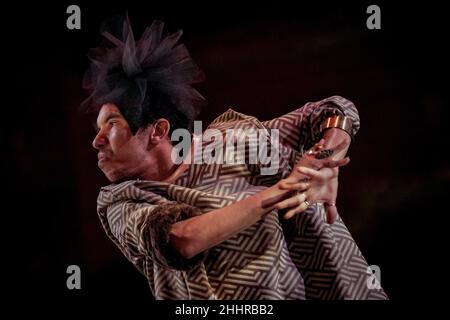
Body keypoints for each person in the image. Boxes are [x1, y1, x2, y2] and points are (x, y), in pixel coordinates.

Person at [81, 15, 388, 299]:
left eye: (111, 125)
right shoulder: (121, 201)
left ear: (158, 130)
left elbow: (335, 111)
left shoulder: (234, 140)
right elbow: (181, 239)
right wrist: (287, 187)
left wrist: (322, 162)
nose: (97, 141)